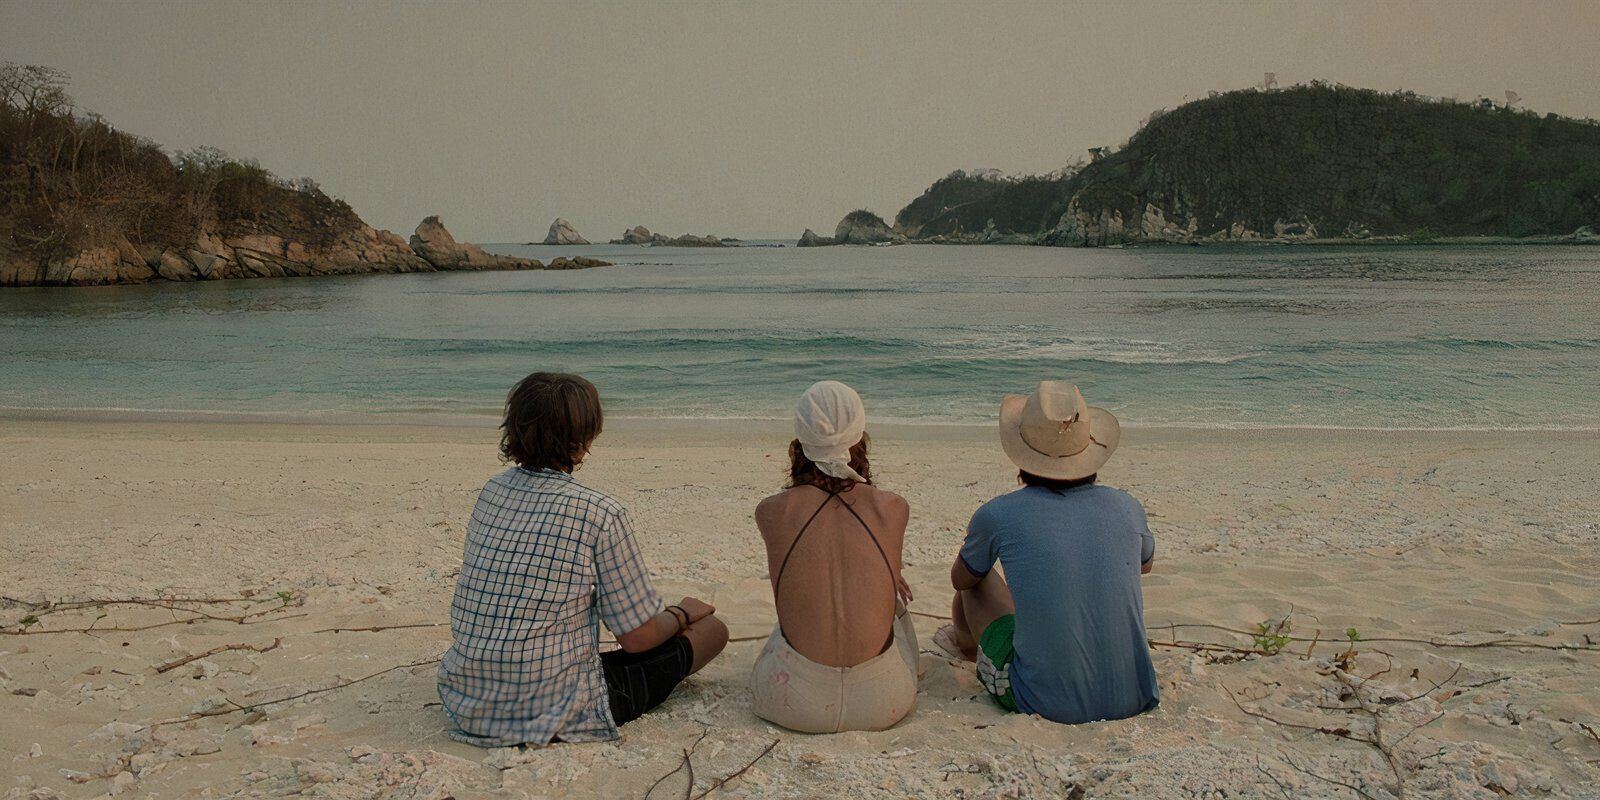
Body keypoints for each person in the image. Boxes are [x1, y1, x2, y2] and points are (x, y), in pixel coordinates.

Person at [438, 372, 728, 746]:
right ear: (584, 439)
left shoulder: (492, 491)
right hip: (556, 712)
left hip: (468, 699)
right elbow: (637, 638)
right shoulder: (600, 513)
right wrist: (681, 613)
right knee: (712, 632)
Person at [939, 381, 1158, 723]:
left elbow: (960, 578)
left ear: (1022, 454)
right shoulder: (1127, 506)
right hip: (1133, 697)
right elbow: (1144, 566)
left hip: (1044, 702)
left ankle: (968, 648)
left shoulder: (999, 513)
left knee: (976, 581)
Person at [750, 381, 920, 732]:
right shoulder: (893, 508)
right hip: (884, 702)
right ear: (860, 439)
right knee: (896, 606)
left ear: (798, 443)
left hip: (792, 702)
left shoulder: (770, 512)